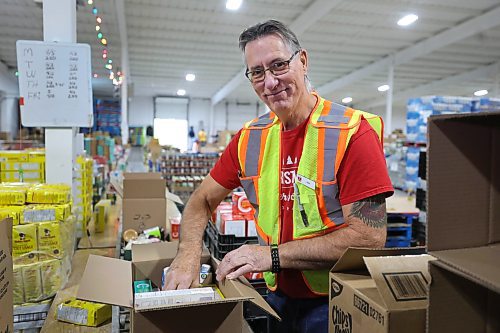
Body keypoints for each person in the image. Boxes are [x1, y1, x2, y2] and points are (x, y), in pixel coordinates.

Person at [164, 20, 393, 332]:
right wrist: (188, 257)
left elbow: (368, 239)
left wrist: (269, 256)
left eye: (278, 65)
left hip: (337, 299)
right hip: (277, 298)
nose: (269, 82)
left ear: (302, 61)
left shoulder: (352, 132)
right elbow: (201, 200)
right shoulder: (249, 138)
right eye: (257, 72)